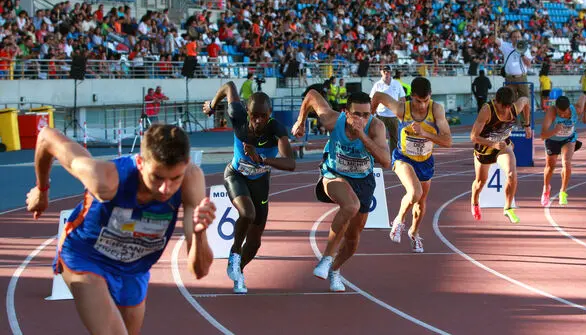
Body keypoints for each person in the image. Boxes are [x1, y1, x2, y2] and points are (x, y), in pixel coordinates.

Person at [26, 124, 215, 335]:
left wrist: (199, 235)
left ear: (186, 164)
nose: (166, 189)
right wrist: (42, 190)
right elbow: (46, 137)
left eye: (175, 179)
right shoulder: (106, 179)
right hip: (86, 256)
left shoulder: (191, 180)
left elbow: (199, 271)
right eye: (158, 177)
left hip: (134, 268)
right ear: (141, 163)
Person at [291, 90, 390, 292]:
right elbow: (311, 95)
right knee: (350, 205)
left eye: (366, 114)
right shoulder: (332, 120)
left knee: (353, 240)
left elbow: (386, 161)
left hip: (363, 180)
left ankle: (335, 269)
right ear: (346, 112)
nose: (362, 119)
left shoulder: (376, 127)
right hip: (333, 174)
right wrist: (300, 121)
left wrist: (362, 135)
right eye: (357, 114)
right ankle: (326, 258)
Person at [203, 81, 296, 293]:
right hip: (235, 175)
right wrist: (212, 105)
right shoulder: (237, 115)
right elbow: (229, 86)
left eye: (263, 116)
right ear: (247, 111)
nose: (258, 120)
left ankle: (239, 271)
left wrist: (262, 159)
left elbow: (290, 163)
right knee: (247, 213)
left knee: (254, 243)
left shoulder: (276, 130)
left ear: (270, 113)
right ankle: (234, 254)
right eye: (254, 115)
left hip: (260, 182)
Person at [372, 77, 453, 253]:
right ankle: (399, 221)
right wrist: (370, 119)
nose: (422, 106)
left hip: (425, 161)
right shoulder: (402, 109)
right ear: (411, 97)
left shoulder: (436, 110)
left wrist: (425, 133)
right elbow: (378, 96)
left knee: (421, 203)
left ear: (430, 97)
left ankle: (414, 233)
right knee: (415, 192)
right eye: (418, 101)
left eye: (425, 101)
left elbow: (448, 141)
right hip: (403, 158)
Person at [470, 87, 532, 223]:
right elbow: (473, 137)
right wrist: (493, 144)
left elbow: (526, 101)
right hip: (484, 148)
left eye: (507, 107)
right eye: (502, 107)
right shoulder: (487, 110)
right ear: (496, 101)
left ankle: (508, 208)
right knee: (480, 182)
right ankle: (474, 202)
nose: (504, 110)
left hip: (503, 146)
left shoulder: (515, 108)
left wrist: (527, 124)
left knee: (511, 174)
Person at [539, 95, 586, 206]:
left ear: (569, 108)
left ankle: (563, 192)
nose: (562, 115)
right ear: (555, 108)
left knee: (566, 163)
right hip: (552, 140)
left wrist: (585, 114)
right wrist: (555, 130)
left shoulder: (576, 109)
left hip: (568, 139)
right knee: (550, 167)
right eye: (559, 112)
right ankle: (546, 189)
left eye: (564, 112)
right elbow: (542, 135)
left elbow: (585, 96)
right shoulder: (551, 112)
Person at [370, 65, 406, 153]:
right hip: (380, 115)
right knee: (377, 136)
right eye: (384, 71)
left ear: (391, 72)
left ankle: (393, 155)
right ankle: (378, 155)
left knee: (394, 137)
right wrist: (372, 113)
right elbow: (372, 99)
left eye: (388, 71)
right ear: (381, 72)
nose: (386, 73)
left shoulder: (397, 84)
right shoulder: (377, 84)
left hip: (393, 115)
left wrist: (401, 111)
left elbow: (402, 98)